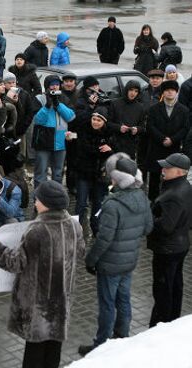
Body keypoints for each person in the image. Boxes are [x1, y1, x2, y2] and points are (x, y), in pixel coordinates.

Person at [0, 180, 85, 368]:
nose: (35, 202)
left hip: (38, 304)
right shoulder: (74, 225)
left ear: (47, 203)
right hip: (61, 300)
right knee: (53, 350)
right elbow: (80, 253)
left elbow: (16, 263)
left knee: (34, 352)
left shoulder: (37, 230)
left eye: (38, 199)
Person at [78, 154, 152, 356]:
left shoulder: (112, 205)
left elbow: (104, 240)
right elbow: (148, 228)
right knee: (124, 299)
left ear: (117, 179)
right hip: (129, 261)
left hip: (109, 265)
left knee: (107, 305)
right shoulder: (142, 197)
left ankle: (101, 345)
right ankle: (122, 337)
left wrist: (90, 260)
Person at [147, 153, 192, 327]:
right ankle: (172, 320)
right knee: (175, 286)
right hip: (179, 246)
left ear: (180, 172)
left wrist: (149, 218)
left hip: (167, 249)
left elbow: (166, 226)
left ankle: (159, 326)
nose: (163, 169)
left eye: (168, 167)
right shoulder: (185, 187)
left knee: (163, 291)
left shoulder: (174, 194)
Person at [144, 80, 189, 200]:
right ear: (163, 93)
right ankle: (153, 203)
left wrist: (173, 140)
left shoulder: (184, 110)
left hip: (173, 149)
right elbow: (150, 126)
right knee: (154, 180)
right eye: (167, 90)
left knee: (172, 180)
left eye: (172, 90)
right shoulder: (154, 109)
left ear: (176, 92)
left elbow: (185, 128)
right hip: (156, 148)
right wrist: (162, 138)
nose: (169, 93)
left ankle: (169, 203)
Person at [31, 75, 76, 188]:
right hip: (43, 141)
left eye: (57, 84)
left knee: (58, 173)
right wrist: (47, 106)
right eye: (52, 85)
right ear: (47, 86)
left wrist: (58, 104)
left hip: (60, 142)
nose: (54, 87)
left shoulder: (64, 98)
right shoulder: (39, 98)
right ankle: (39, 201)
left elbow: (71, 117)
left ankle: (56, 199)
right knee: (41, 174)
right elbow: (38, 120)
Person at [74, 108, 113, 235]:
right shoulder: (83, 131)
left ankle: (96, 228)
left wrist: (110, 150)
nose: (95, 122)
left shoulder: (110, 135)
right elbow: (84, 149)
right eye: (94, 119)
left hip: (100, 176)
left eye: (99, 120)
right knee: (81, 203)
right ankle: (75, 230)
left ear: (104, 122)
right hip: (84, 173)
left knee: (98, 203)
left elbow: (113, 155)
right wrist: (100, 150)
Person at [108, 80, 146, 159]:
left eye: (136, 91)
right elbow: (108, 123)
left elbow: (142, 127)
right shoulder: (115, 103)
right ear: (127, 90)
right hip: (115, 143)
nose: (133, 93)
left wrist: (137, 129)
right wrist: (119, 128)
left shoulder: (140, 107)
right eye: (131, 90)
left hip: (131, 145)